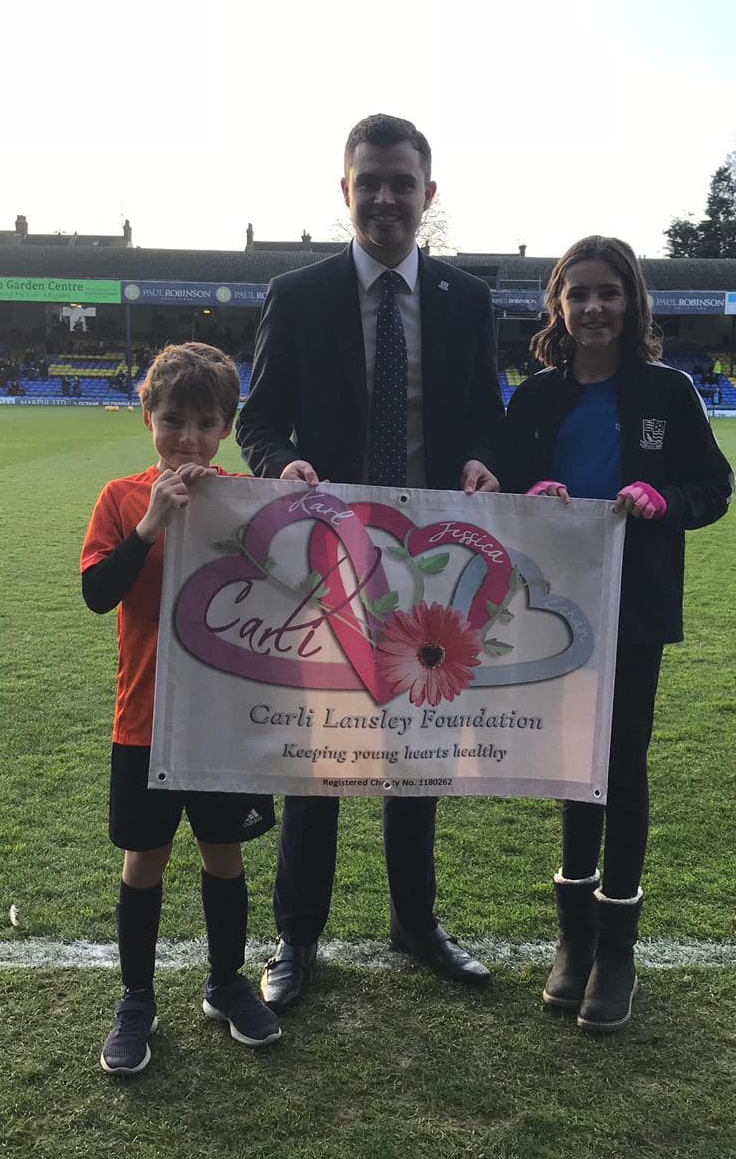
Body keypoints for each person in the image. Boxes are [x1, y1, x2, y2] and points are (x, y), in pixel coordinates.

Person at [235, 113, 505, 1010]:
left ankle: (415, 922)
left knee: (418, 753)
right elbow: (259, 419)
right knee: (320, 760)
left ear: (429, 194)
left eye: (402, 183)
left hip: (430, 567)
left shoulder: (467, 299)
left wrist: (484, 459)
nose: (386, 198)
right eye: (370, 183)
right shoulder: (298, 294)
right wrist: (283, 465)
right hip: (330, 563)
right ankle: (296, 935)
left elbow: (487, 414)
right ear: (344, 190)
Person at [502, 236, 734, 1032]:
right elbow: (500, 490)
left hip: (635, 608)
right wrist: (531, 495)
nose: (594, 307)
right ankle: (574, 940)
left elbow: (714, 486)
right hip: (553, 608)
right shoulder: (535, 398)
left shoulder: (669, 391)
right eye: (579, 294)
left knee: (622, 767)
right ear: (558, 305)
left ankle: (618, 950)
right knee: (574, 766)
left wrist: (665, 501)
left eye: (609, 292)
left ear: (632, 301)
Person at [81, 342, 281, 1075]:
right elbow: (98, 593)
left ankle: (226, 984)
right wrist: (151, 526)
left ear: (227, 426)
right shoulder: (122, 497)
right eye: (172, 421)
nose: (188, 438)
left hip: (224, 718)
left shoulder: (248, 499)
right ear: (148, 420)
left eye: (204, 423)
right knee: (144, 860)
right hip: (146, 718)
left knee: (223, 854)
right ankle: (137, 1000)